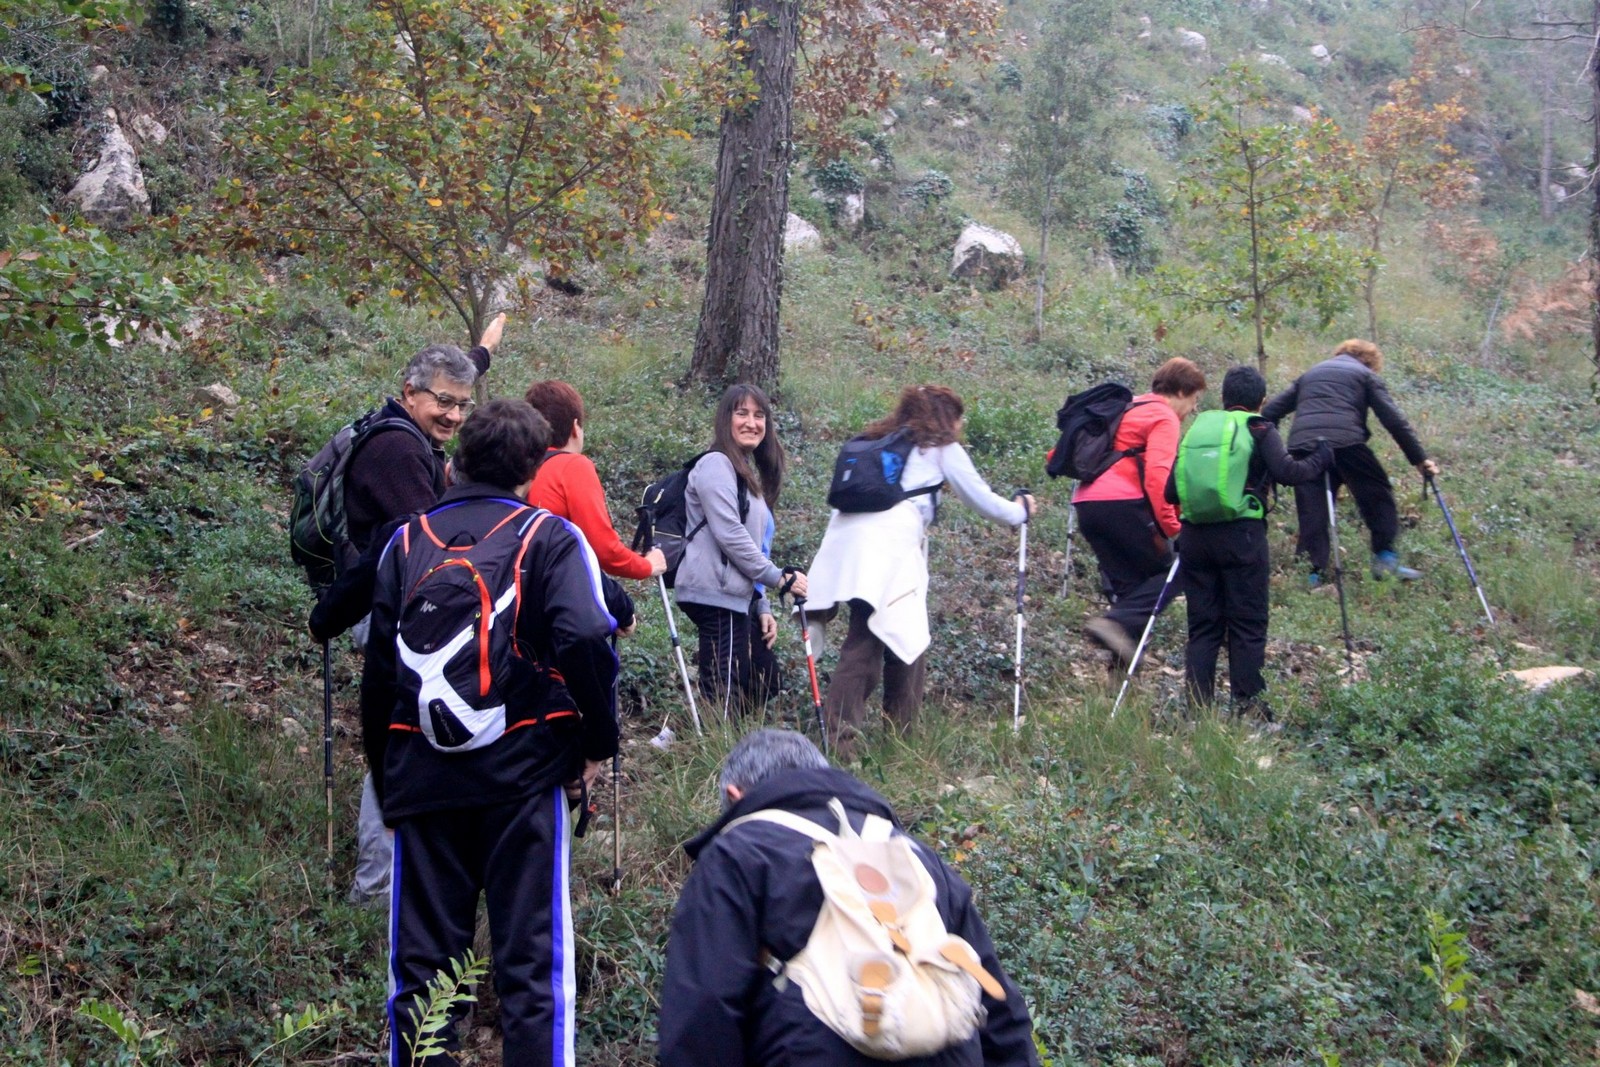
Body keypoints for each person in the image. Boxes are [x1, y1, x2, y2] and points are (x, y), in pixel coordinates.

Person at [361, 398, 617, 1067]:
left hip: (422, 780)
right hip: (523, 779)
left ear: (456, 462)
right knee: (532, 964)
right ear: (532, 470)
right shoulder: (550, 537)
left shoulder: (406, 542)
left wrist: (388, 785)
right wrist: (596, 742)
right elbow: (586, 635)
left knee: (423, 972)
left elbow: (379, 675)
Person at [659, 728, 1038, 1067]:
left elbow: (703, 1014)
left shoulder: (738, 853)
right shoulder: (915, 853)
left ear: (735, 796)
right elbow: (998, 1005)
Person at [338, 315, 505, 906]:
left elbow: (461, 372)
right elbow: (435, 539)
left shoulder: (407, 429)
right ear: (409, 392)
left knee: (414, 731)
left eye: (463, 405)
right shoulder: (397, 451)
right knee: (400, 736)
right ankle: (376, 887)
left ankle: (412, 876)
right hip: (390, 611)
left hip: (405, 607)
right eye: (444, 403)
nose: (454, 416)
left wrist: (482, 351)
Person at [803, 386, 1034, 754]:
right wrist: (1020, 511)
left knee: (893, 633)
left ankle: (885, 737)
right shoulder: (940, 448)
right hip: (890, 548)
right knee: (876, 639)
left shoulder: (877, 441)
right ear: (948, 418)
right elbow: (983, 500)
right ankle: (853, 741)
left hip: (847, 545)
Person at [1165, 366, 1332, 718]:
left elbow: (1170, 491)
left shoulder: (1201, 430)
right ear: (1262, 401)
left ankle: (1197, 712)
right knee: (1247, 625)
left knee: (1203, 628)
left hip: (1194, 538)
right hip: (1241, 537)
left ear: (1223, 397)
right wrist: (1321, 457)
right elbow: (1289, 472)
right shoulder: (1259, 428)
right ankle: (1249, 711)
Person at [674, 384, 807, 715]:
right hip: (714, 590)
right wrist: (778, 578)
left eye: (759, 415)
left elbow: (754, 544)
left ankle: (696, 734)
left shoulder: (744, 472)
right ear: (726, 419)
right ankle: (712, 741)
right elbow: (730, 534)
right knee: (724, 687)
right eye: (742, 413)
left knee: (753, 680)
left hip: (735, 593)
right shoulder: (716, 464)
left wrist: (761, 603)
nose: (752, 422)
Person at [1260, 339, 1439, 583]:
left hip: (1304, 446)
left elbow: (1270, 412)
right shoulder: (1365, 375)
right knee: (1377, 494)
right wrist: (1419, 459)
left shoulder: (1310, 374)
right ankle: (1385, 560)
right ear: (1370, 362)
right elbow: (1393, 420)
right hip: (1347, 444)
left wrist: (1271, 455)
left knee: (1313, 513)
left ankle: (1310, 576)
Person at [1072, 357, 1207, 665]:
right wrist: (1173, 528)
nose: (1193, 409)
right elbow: (1158, 477)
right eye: (1195, 399)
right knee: (1177, 569)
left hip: (1088, 505)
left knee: (1132, 591)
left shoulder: (1128, 407)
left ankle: (1121, 675)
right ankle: (1114, 622)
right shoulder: (1163, 416)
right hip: (1122, 505)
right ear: (1182, 392)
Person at [524, 379, 667, 634]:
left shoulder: (519, 468)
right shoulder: (573, 466)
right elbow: (603, 549)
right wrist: (647, 565)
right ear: (575, 427)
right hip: (556, 605)